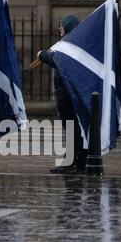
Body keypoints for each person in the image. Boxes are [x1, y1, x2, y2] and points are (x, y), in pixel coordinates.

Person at [37, 15, 88, 174]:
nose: (59, 28)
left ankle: (71, 162)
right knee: (74, 128)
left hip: (68, 94)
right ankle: (79, 162)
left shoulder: (69, 45)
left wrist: (42, 55)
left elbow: (59, 60)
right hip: (66, 94)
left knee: (73, 128)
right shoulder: (71, 43)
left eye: (62, 25)